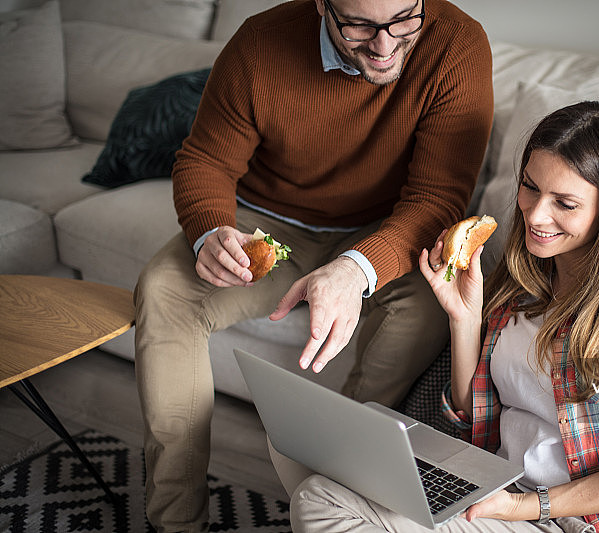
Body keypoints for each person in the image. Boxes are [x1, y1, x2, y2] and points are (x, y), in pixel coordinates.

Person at [133, 0, 493, 530]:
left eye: (403, 21)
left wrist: (356, 268)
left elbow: (437, 197)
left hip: (388, 230)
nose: (386, 45)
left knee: (427, 309)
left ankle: (332, 504)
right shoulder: (259, 42)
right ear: (322, 5)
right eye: (360, 26)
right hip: (270, 223)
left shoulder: (458, 44)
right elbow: (206, 159)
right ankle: (176, 520)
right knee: (163, 291)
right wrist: (210, 230)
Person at [287, 101, 599, 532]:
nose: (535, 215)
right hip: (496, 495)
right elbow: (476, 421)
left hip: (578, 521)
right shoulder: (524, 275)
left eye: (564, 203)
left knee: (319, 498)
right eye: (530, 187)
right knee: (296, 445)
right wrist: (464, 320)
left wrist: (517, 507)